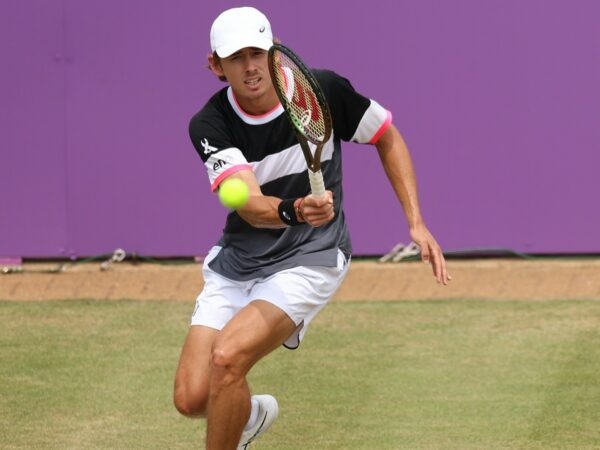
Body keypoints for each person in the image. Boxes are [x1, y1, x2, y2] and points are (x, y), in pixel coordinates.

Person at [173, 6, 451, 449]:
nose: (250, 66)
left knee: (226, 359)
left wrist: (416, 223)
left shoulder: (321, 91)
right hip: (241, 259)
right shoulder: (209, 125)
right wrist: (296, 209)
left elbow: (386, 136)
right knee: (191, 397)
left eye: (257, 52)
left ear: (274, 51)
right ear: (216, 66)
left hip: (312, 256)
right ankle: (249, 417)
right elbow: (248, 205)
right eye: (236, 57)